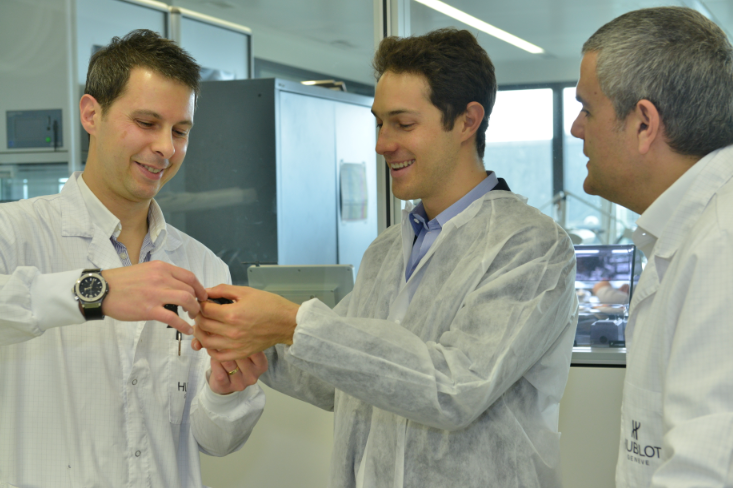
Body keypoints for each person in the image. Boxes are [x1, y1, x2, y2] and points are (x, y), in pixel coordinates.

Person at [194, 29, 578, 487]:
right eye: (380, 123)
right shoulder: (387, 249)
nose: (382, 143)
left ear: (467, 122)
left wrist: (293, 324)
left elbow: (457, 386)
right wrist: (247, 338)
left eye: (403, 124)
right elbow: (339, 376)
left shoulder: (531, 246)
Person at [0, 30, 265, 486]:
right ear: (91, 114)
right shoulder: (14, 231)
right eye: (146, 122)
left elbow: (215, 442)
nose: (166, 147)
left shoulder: (203, 267)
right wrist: (95, 292)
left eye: (180, 131)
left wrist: (224, 393)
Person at [570, 7, 733, 487]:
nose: (576, 128)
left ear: (644, 124)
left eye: (587, 109)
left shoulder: (721, 245)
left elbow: (706, 473)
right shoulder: (694, 230)